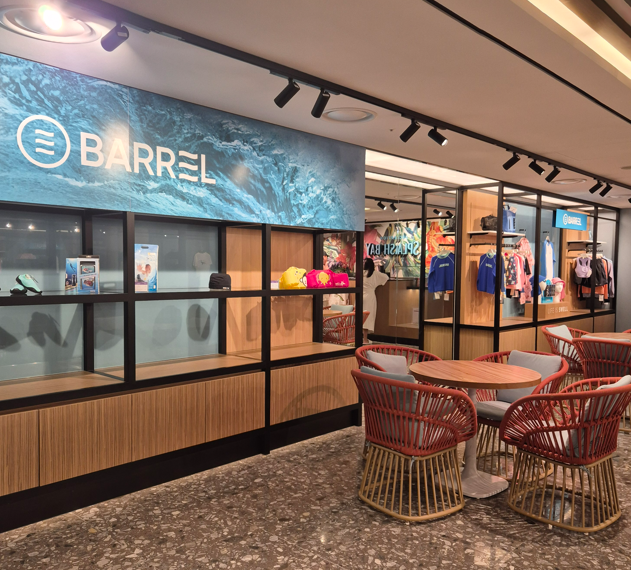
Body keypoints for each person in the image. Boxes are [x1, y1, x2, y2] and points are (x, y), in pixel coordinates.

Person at [363, 258, 388, 344]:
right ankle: (365, 339)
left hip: (360, 297)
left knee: (360, 317)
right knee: (367, 318)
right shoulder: (374, 274)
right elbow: (386, 277)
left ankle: (359, 338)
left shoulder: (361, 273)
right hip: (370, 297)